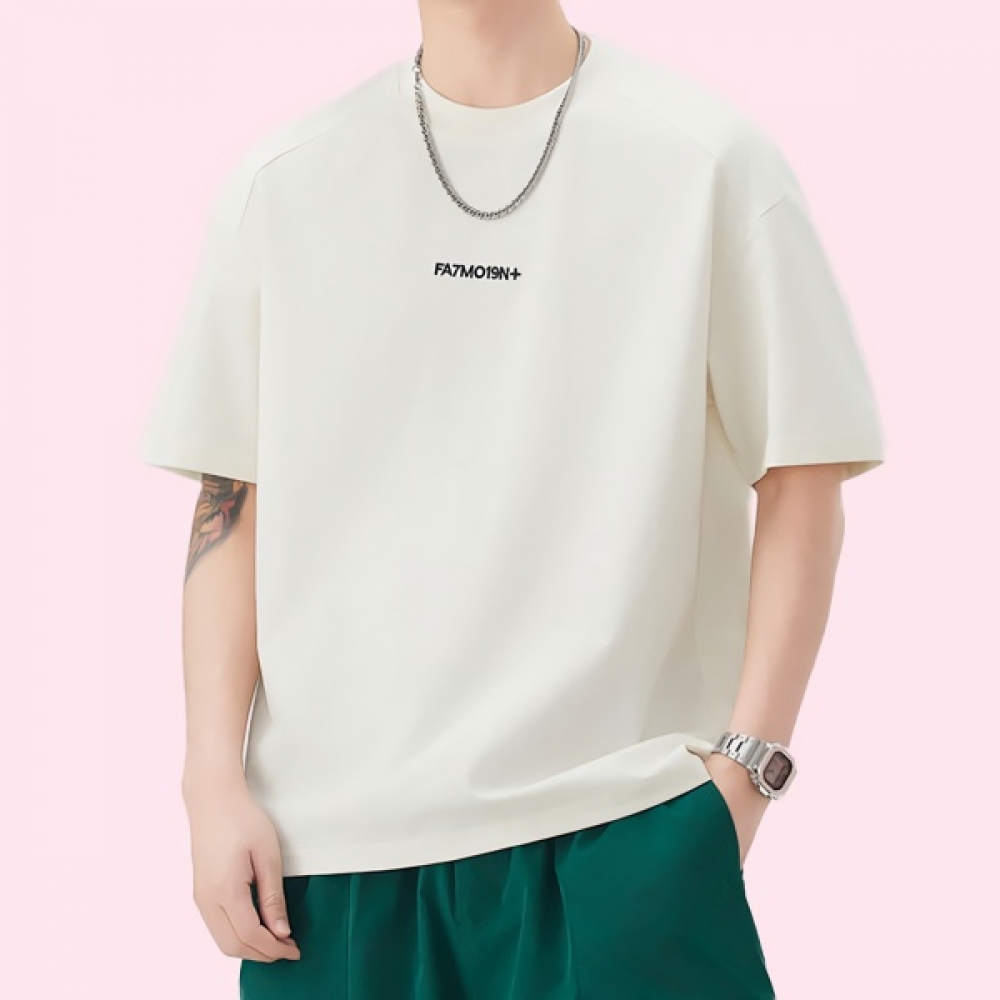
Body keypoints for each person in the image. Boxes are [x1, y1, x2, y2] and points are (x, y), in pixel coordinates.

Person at [138, 2, 885, 997]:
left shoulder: (708, 160)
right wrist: (210, 781)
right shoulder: (283, 183)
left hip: (623, 833)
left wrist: (743, 778)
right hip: (328, 861)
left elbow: (803, 472)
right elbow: (232, 496)